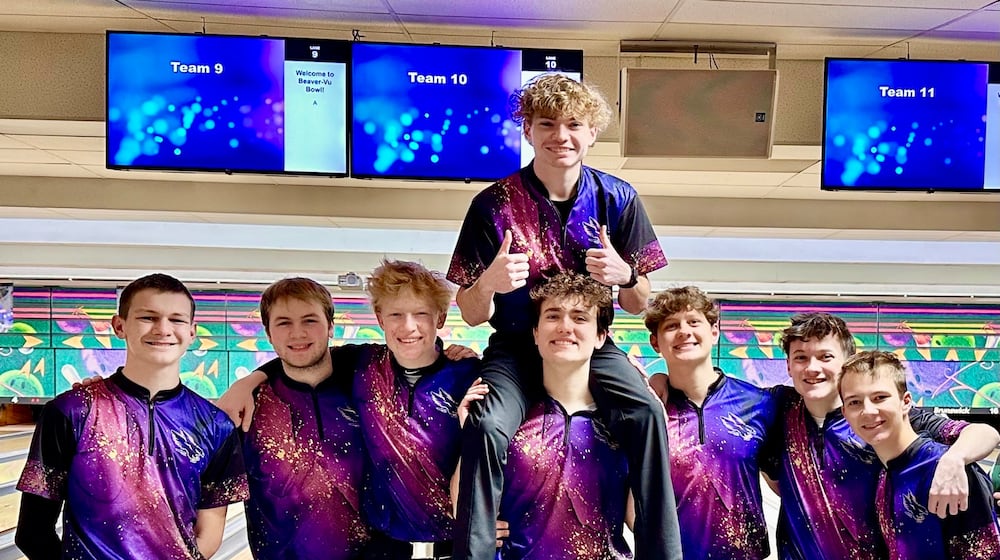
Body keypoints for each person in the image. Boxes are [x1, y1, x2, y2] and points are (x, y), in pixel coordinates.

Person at [447, 73, 679, 559]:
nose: (561, 136)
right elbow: (470, 313)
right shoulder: (491, 205)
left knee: (646, 412)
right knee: (488, 425)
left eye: (574, 124)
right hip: (514, 345)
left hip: (593, 346)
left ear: (592, 132)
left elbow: (641, 303)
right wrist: (488, 282)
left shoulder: (618, 199)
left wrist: (624, 276)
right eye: (547, 124)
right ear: (527, 130)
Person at [220, 260, 481, 559]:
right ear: (381, 320)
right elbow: (302, 357)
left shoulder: (469, 374)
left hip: (450, 548)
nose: (408, 326)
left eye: (420, 313)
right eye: (396, 314)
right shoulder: (364, 364)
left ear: (441, 318)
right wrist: (246, 382)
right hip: (389, 543)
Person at [15, 273, 248, 559]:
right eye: (148, 317)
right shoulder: (72, 411)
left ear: (192, 331)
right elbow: (32, 533)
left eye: (176, 319)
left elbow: (208, 534)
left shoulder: (215, 425)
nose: (163, 329)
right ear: (119, 325)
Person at [769, 312, 1000, 560]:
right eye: (801, 358)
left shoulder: (892, 419)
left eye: (825, 356)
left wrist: (954, 459)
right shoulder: (775, 410)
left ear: (847, 361)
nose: (812, 368)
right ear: (789, 366)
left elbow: (984, 432)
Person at [460, 273, 634, 559]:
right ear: (536, 333)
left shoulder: (624, 420)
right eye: (553, 316)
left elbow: (638, 519)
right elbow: (468, 508)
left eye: (579, 318)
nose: (565, 327)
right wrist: (469, 434)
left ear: (601, 336)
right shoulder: (508, 415)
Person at [643, 286, 778, 559]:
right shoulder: (647, 411)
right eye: (671, 325)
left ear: (714, 332)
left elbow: (786, 484)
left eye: (694, 322)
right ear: (655, 342)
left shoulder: (758, 403)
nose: (684, 331)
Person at [240, 277, 369, 559]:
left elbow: (418, 356)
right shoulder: (249, 406)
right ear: (269, 334)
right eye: (284, 323)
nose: (297, 333)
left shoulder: (368, 382)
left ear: (331, 327)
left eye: (310, 320)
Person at [839, 350, 1000, 559]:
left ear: (906, 402)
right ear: (844, 413)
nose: (868, 411)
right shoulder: (881, 473)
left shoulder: (949, 473)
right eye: (854, 402)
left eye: (880, 398)